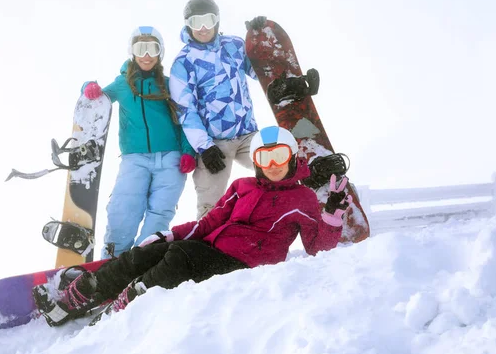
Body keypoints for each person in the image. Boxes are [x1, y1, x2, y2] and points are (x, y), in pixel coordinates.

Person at [38, 126, 352, 327]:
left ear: (292, 157)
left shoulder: (303, 198)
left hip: (244, 264)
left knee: (178, 257)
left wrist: (332, 216)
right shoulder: (243, 185)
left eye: (279, 156)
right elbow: (211, 221)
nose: (272, 165)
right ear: (256, 160)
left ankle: (129, 301)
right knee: (147, 252)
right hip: (211, 249)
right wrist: (168, 233)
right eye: (264, 157)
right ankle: (79, 296)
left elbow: (317, 247)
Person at [82, 26, 196, 259]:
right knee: (124, 208)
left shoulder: (168, 84)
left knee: (160, 214)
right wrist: (87, 87)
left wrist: (188, 151)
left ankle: (142, 260)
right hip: (135, 159)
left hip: (171, 158)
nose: (146, 54)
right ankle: (112, 261)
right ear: (132, 52)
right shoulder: (122, 84)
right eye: (140, 48)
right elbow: (100, 98)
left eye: (152, 49)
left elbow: (184, 119)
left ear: (159, 52)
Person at [168, 0, 263, 220]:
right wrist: (205, 146)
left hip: (248, 134)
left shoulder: (235, 46)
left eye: (207, 21)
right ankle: (207, 249)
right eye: (195, 22)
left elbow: (259, 72)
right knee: (210, 205)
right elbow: (185, 110)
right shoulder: (183, 62)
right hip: (214, 143)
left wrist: (259, 39)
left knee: (276, 171)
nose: (202, 28)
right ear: (187, 25)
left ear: (217, 21)